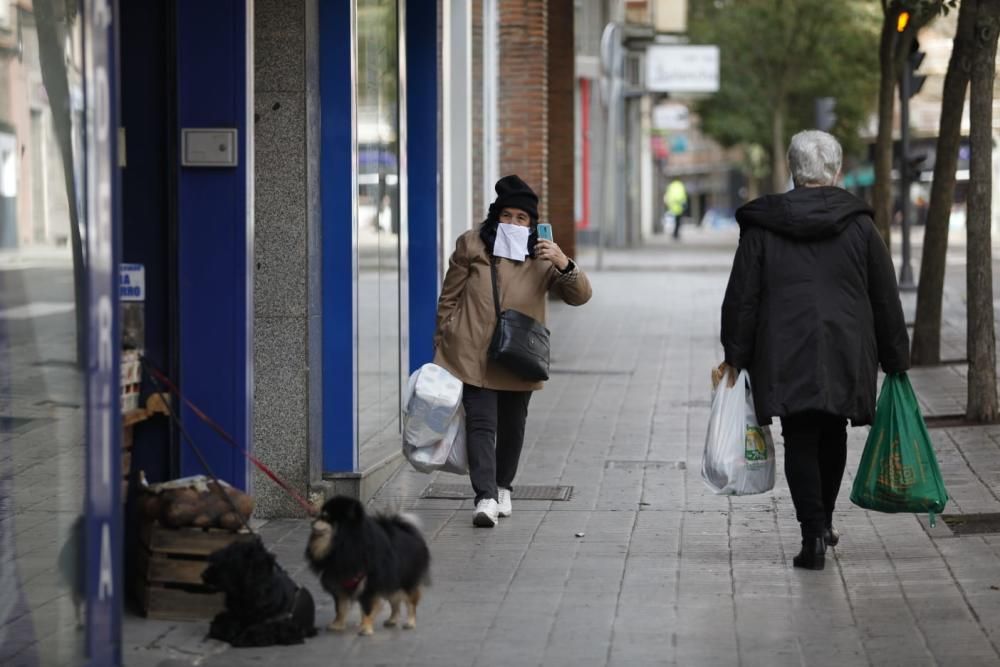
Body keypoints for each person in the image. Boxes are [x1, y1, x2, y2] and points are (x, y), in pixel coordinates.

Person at [718, 130, 909, 570]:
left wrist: (735, 354)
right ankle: (823, 524)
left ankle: (812, 536)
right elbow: (885, 295)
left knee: (800, 435)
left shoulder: (763, 227)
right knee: (833, 431)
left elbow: (742, 296)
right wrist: (896, 357)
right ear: (837, 171)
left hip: (786, 350)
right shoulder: (861, 225)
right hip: (846, 348)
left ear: (792, 169)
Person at [433, 175, 592, 527]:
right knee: (481, 423)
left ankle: (503, 486)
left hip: (518, 354)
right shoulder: (472, 244)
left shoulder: (543, 254)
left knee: (512, 426)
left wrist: (563, 263)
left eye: (522, 218)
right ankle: (485, 497)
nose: (514, 223)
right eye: (507, 216)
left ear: (532, 223)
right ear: (495, 216)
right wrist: (444, 339)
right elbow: (449, 297)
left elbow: (581, 296)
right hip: (472, 351)